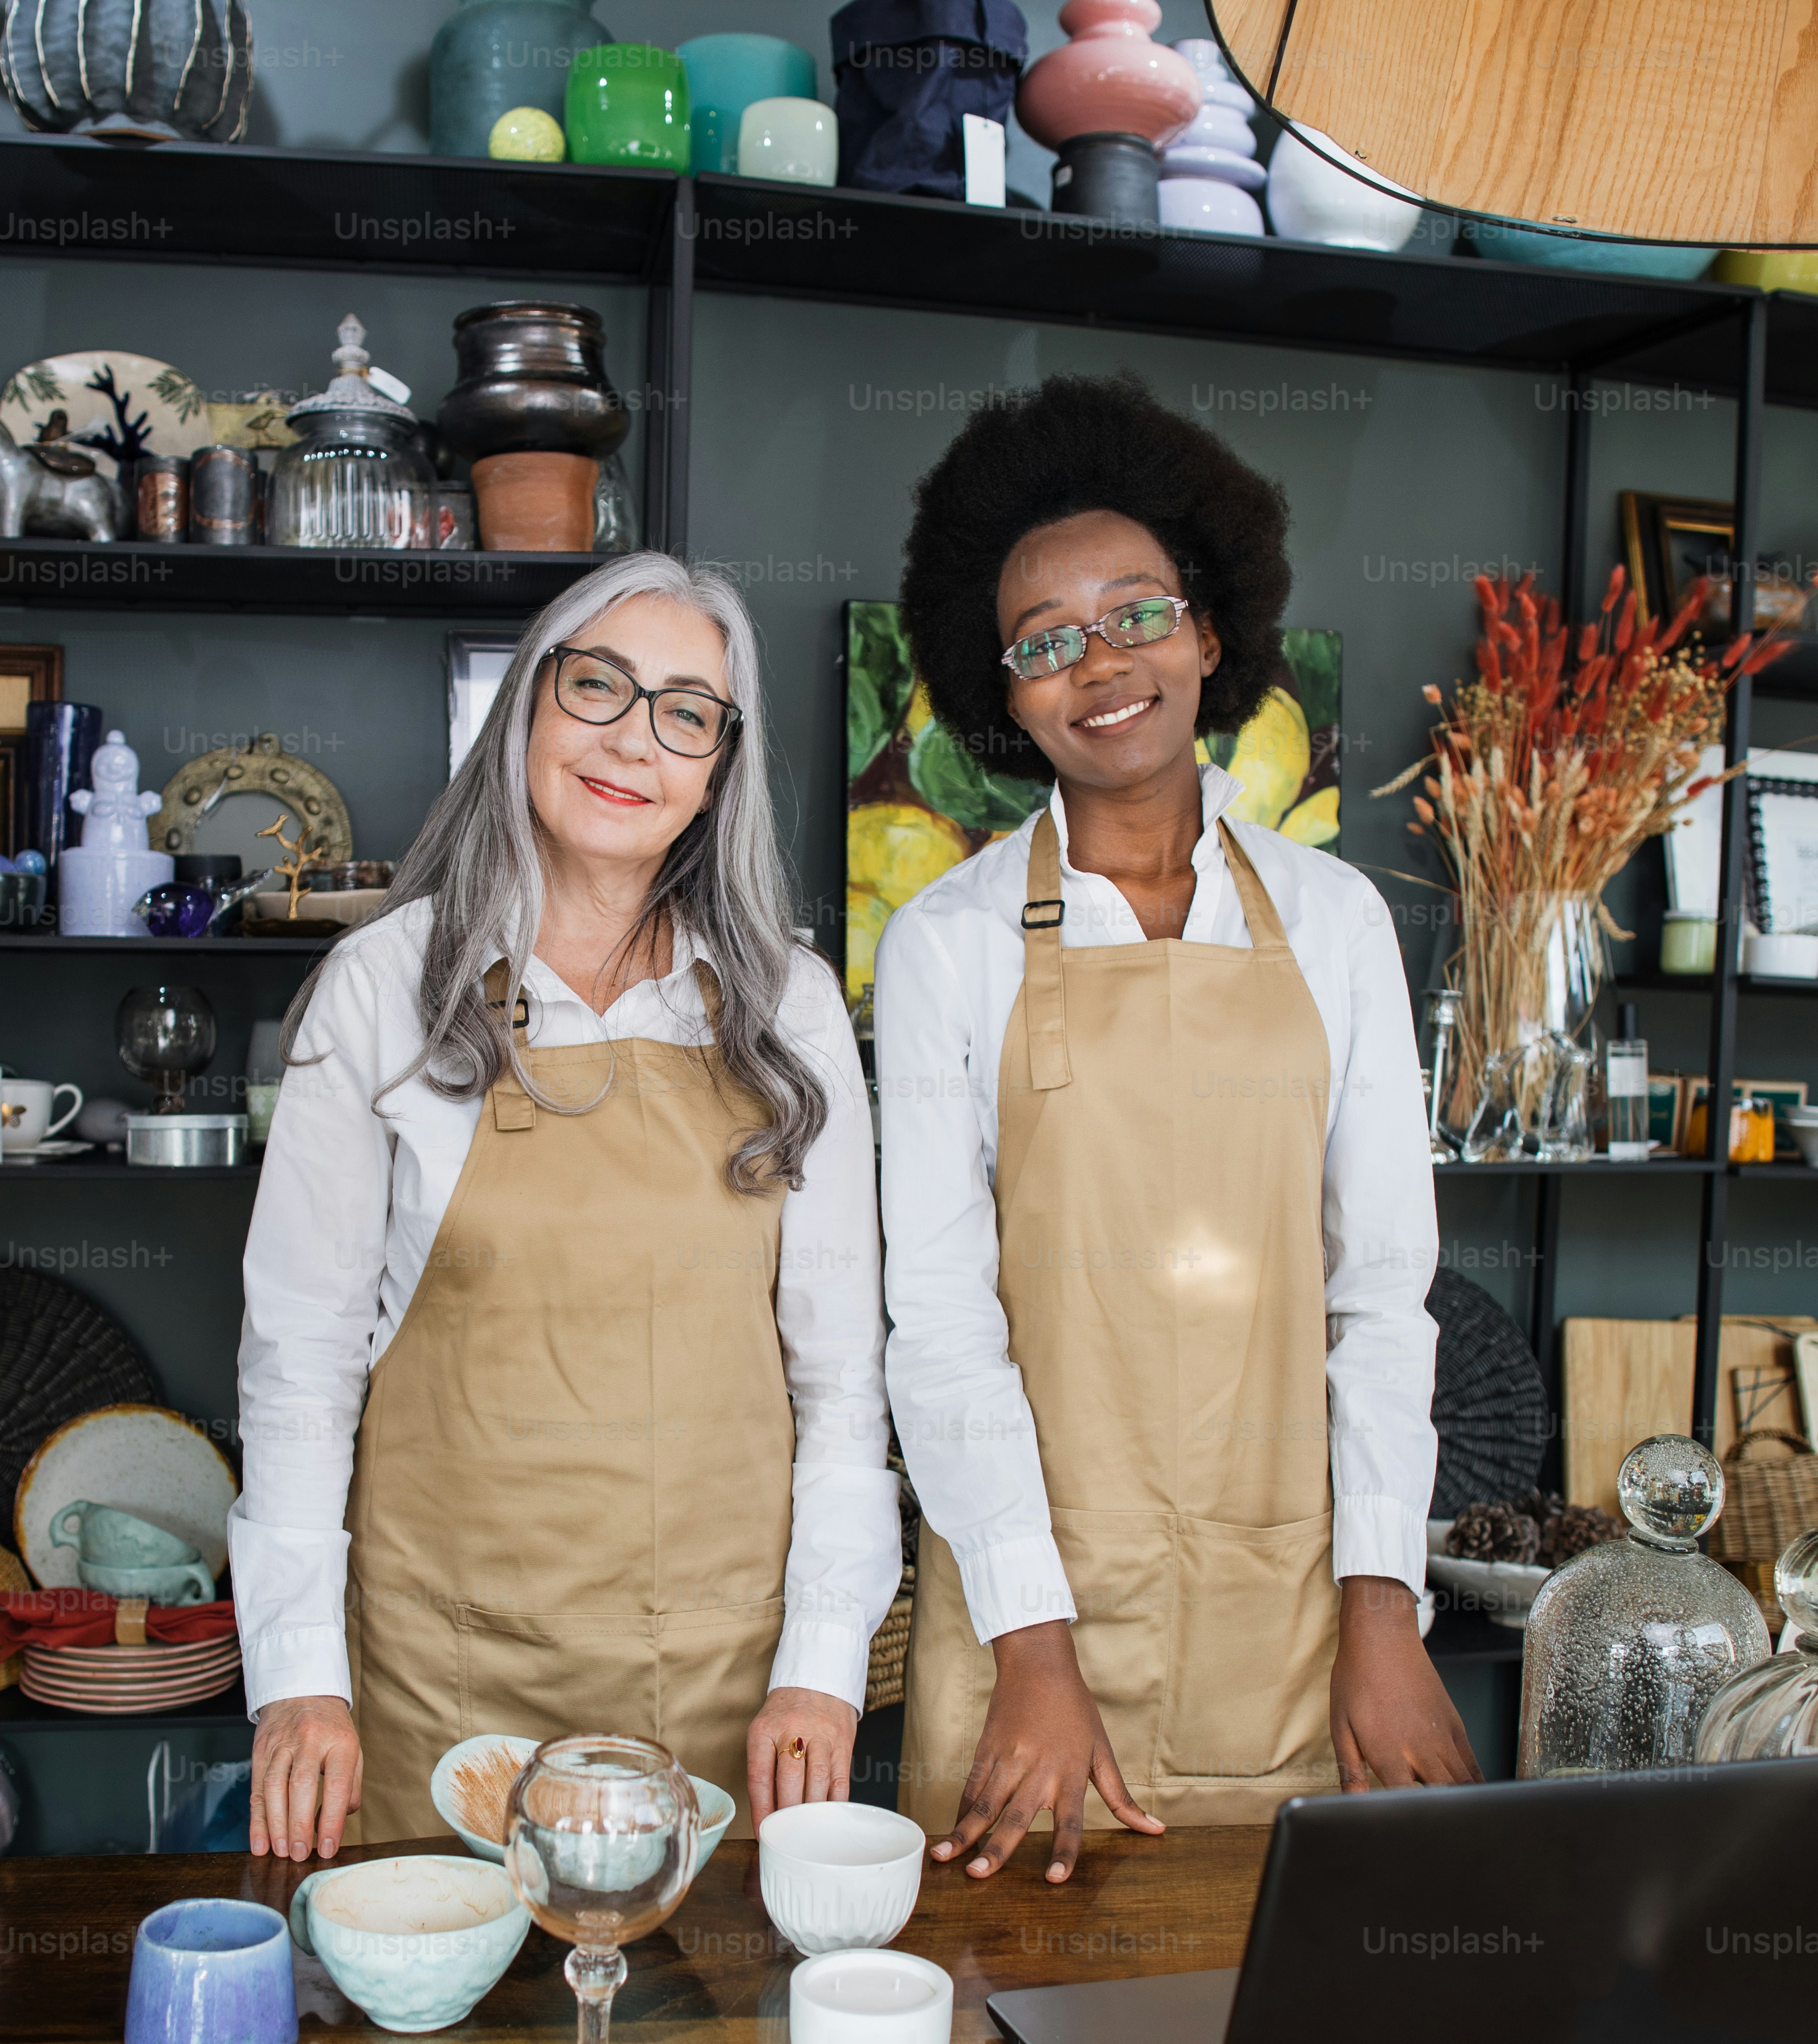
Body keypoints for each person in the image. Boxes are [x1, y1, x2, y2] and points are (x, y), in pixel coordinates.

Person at [877, 371, 1477, 1884]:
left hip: (1289, 1625)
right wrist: (1032, 1650)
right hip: (1029, 1616)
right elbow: (941, 1328)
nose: (1102, 663)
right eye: (1046, 643)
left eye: (1137, 613)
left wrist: (1384, 1613)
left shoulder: (1338, 925)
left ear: (1212, 634)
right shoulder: (947, 944)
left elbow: (1380, 1297)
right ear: (1001, 695)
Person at [234, 553, 897, 1861]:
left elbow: (841, 1388)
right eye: (598, 686)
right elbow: (298, 1368)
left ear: (718, 767)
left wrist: (821, 1663)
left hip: (720, 1685)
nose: (631, 741)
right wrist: (299, 1676)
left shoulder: (790, 1007)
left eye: (684, 712)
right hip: (438, 1677)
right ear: (531, 705)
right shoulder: (381, 987)